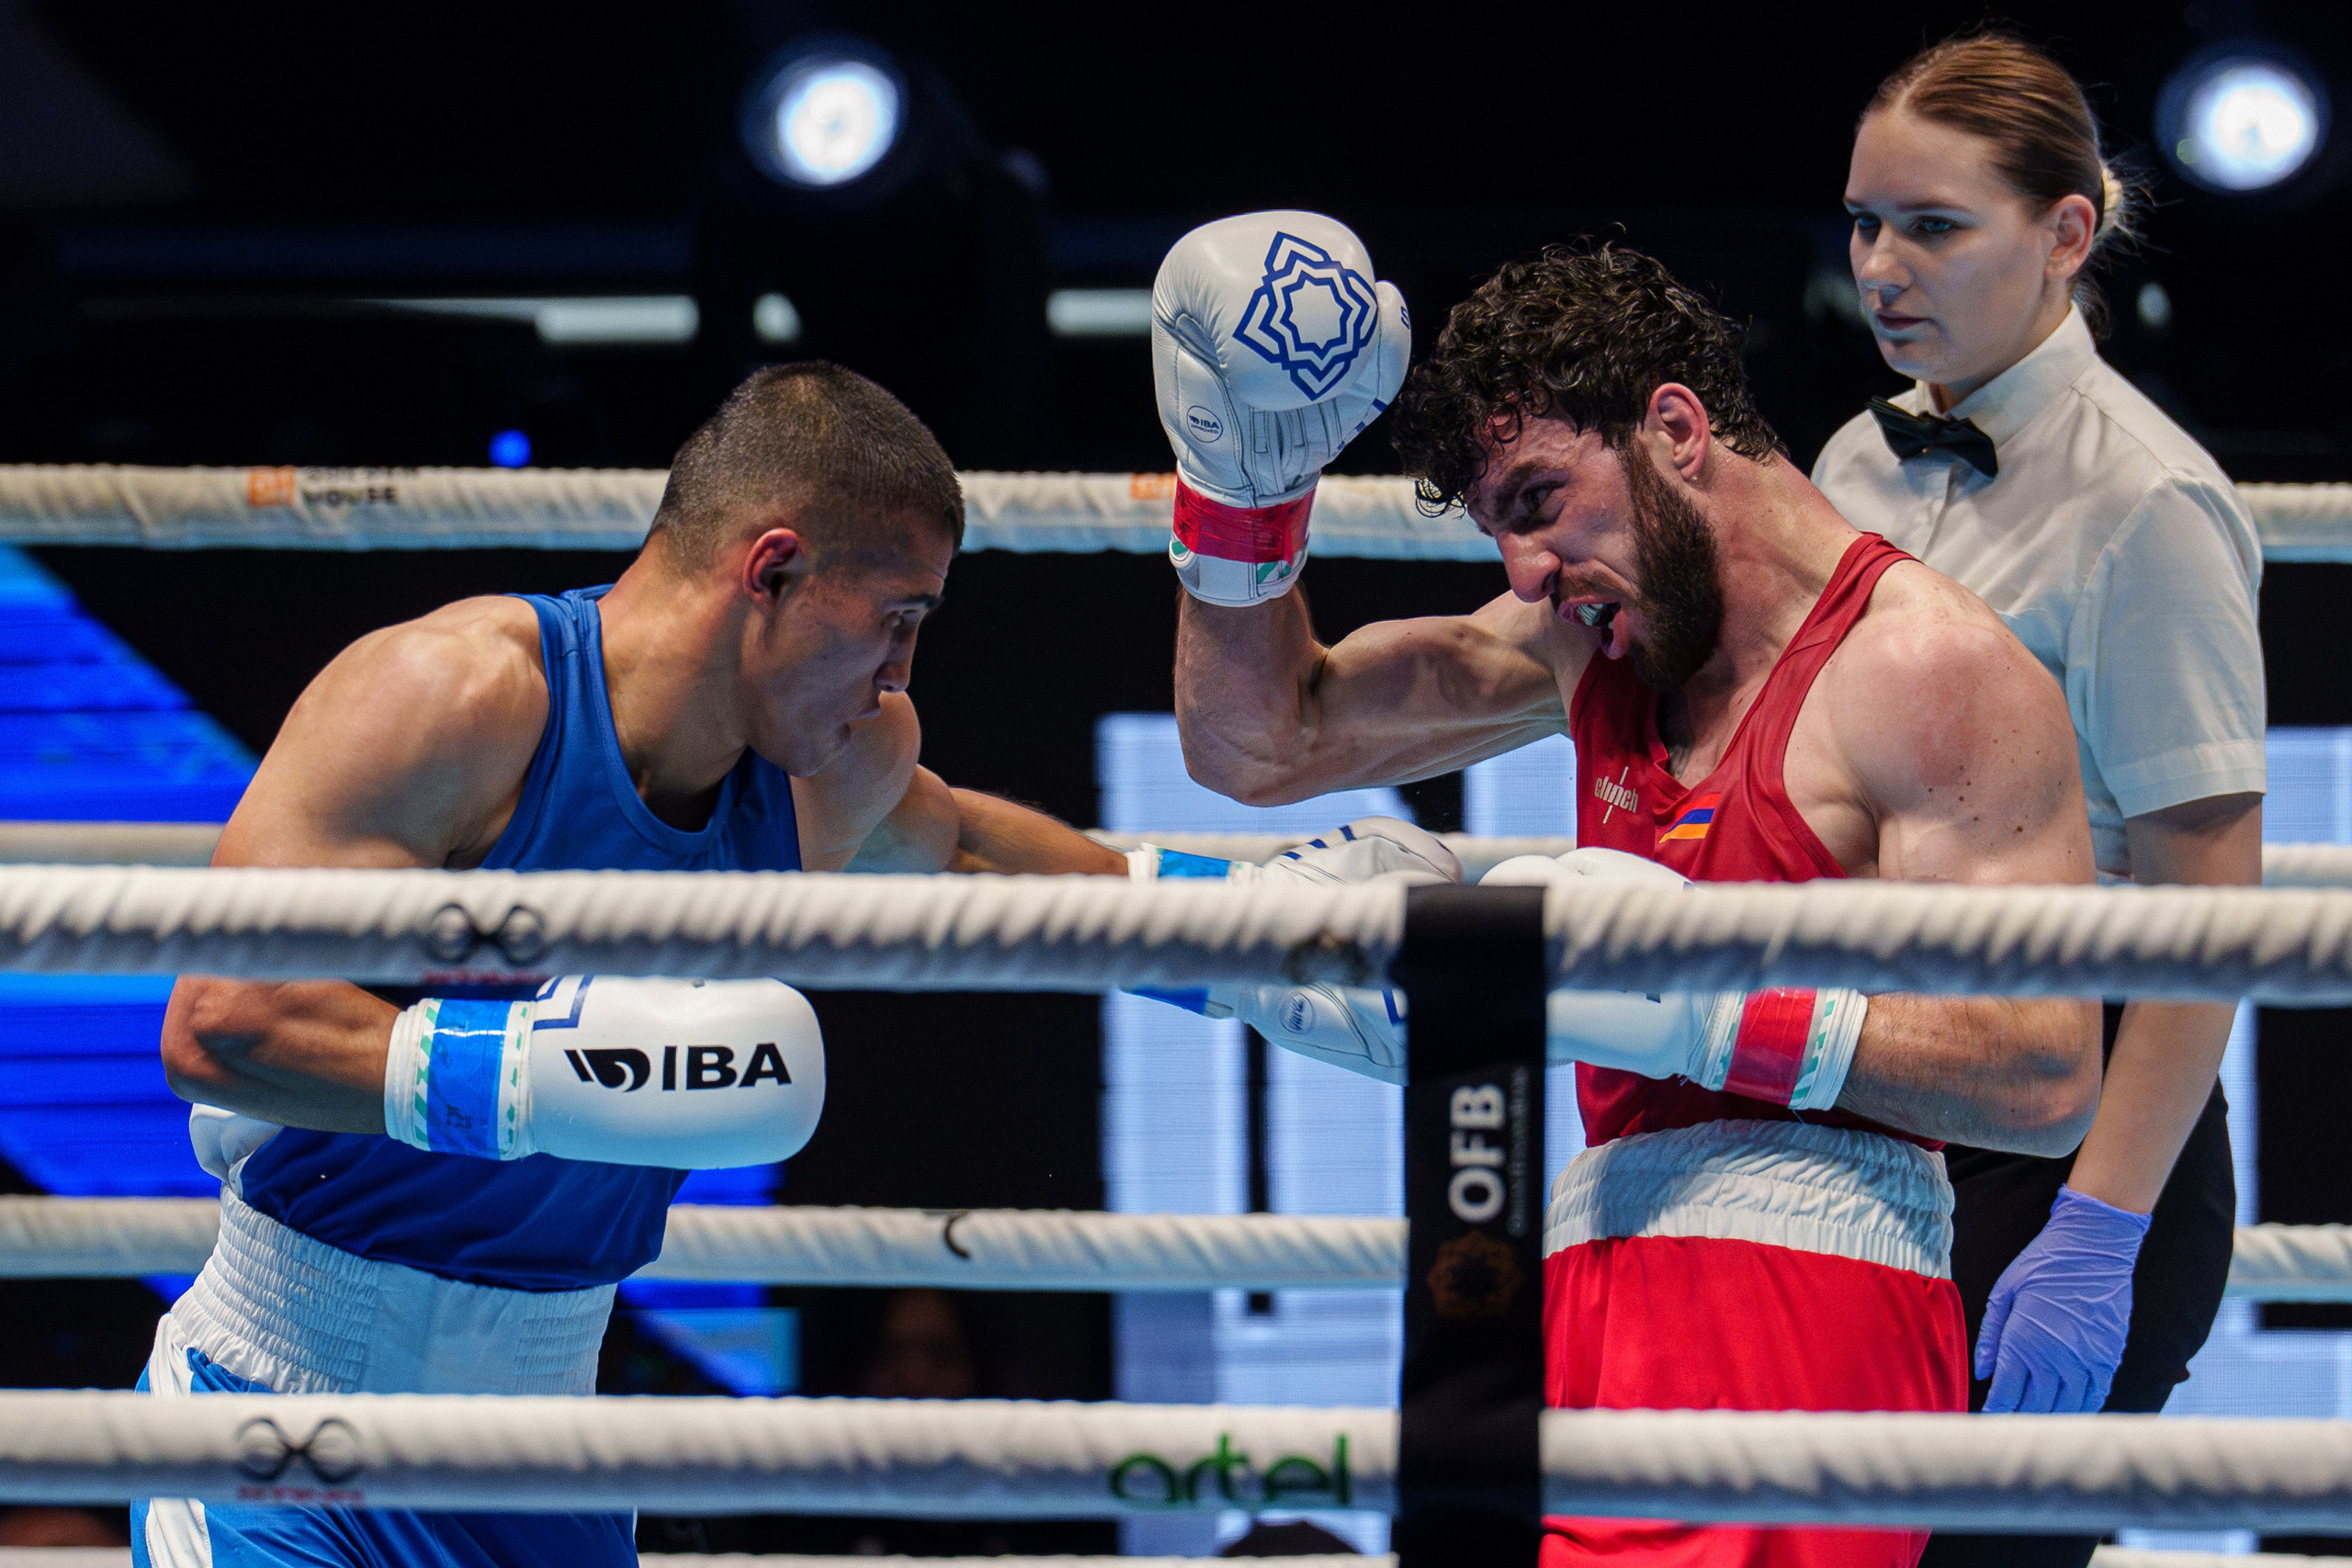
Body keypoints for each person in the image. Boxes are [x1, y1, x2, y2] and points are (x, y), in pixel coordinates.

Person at [1157, 209, 2105, 1568]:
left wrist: (1701, 1015)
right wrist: (1237, 493)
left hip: (1810, 1290)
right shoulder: (1592, 638)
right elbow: (1259, 744)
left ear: (1674, 429)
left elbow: (2044, 1070)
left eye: (1539, 503)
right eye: (1500, 532)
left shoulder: (1923, 669)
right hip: (1591, 1264)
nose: (1525, 571)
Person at [141, 361, 1135, 1568]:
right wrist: (528, 1076)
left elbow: (964, 846)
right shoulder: (459, 697)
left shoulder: (829, 773)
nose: (900, 670)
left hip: (546, 1453)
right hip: (283, 1413)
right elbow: (222, 1022)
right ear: (773, 572)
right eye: (898, 616)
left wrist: (1242, 938)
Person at [1812, 32, 2261, 1568]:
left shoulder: (2148, 502)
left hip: (2087, 1136)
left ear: (2067, 231)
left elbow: (2210, 911)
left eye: (1935, 226)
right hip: (1892, 1106)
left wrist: (2100, 1232)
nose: (1883, 265)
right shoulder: (1854, 464)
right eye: (1866, 222)